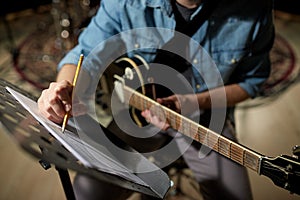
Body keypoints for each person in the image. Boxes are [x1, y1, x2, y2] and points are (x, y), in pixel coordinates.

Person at [38, 0, 275, 199]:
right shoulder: (124, 2)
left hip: (205, 117)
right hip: (136, 115)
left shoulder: (254, 8)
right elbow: (84, 54)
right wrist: (64, 89)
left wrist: (193, 103)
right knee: (85, 194)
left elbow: (251, 82)